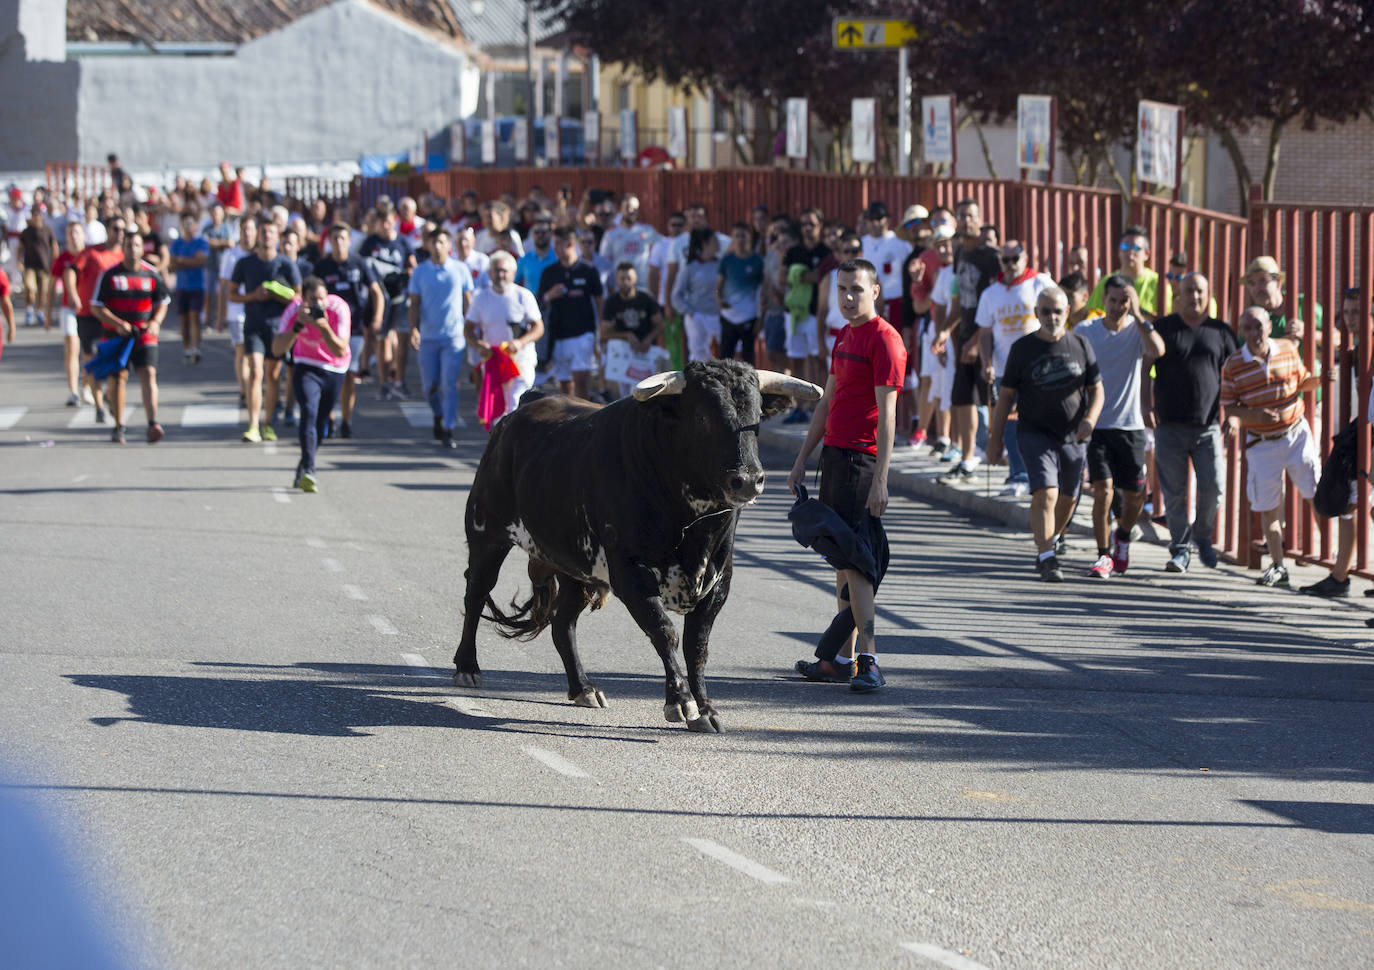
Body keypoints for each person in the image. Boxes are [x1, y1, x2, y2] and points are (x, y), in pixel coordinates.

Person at [786, 258, 905, 692]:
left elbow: (889, 416)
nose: (848, 297)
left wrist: (881, 479)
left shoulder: (885, 341)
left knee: (858, 562)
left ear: (875, 291)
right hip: (833, 457)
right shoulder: (844, 334)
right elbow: (825, 403)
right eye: (841, 289)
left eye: (856, 289)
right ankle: (839, 659)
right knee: (840, 558)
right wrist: (802, 459)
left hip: (862, 461)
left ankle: (869, 660)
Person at [987, 287, 1104, 582]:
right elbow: (1006, 397)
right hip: (1034, 432)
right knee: (1046, 493)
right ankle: (1046, 555)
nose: (1052, 317)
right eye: (1045, 311)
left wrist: (1090, 419)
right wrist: (995, 439)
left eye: (1058, 311)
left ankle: (1051, 541)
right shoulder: (1022, 348)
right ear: (1036, 313)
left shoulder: (1080, 344)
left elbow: (1097, 389)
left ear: (1067, 313)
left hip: (1073, 435)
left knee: (1068, 497)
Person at [1220, 306, 1322, 587]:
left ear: (1268, 327)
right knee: (1268, 507)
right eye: (1248, 328)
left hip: (1295, 433)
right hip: (1261, 442)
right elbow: (1230, 407)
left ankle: (1330, 556)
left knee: (1317, 492)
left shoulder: (1288, 349)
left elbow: (1303, 381)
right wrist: (1250, 418)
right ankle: (1278, 565)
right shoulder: (1232, 365)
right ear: (1241, 332)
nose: (1254, 334)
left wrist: (1324, 378)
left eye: (1259, 327)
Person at [1074, 276, 1165, 578]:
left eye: (1123, 301)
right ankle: (1103, 555)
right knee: (1103, 491)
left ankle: (1123, 535)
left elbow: (1158, 349)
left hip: (1130, 426)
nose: (1116, 307)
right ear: (1104, 300)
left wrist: (1139, 315)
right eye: (1112, 300)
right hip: (1097, 424)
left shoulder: (1137, 331)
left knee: (1136, 495)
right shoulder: (1087, 331)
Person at [1151, 273, 1240, 572]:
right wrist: (1143, 403)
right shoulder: (1162, 328)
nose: (1195, 297)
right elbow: (1144, 366)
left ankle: (1202, 535)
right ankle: (1180, 548)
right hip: (1169, 425)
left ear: (1208, 293)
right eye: (1188, 291)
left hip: (1208, 426)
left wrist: (1236, 414)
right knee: (1174, 494)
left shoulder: (1221, 331)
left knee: (1213, 486)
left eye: (1200, 291)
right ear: (1179, 294)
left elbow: (1236, 375)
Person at [966, 240, 1056, 496]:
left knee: (1040, 422)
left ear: (1025, 258)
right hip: (1006, 369)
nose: (1011, 264)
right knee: (1010, 424)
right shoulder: (991, 293)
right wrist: (987, 363)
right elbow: (985, 333)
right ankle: (1018, 475)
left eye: (1015, 258)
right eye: (1005, 260)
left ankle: (1043, 474)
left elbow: (1059, 318)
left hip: (1040, 368)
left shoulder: (1040, 283)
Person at [931, 198, 1001, 480]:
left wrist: (977, 341)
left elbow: (998, 301)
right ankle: (968, 457)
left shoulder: (991, 256)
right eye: (962, 215)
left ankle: (1002, 454)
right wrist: (945, 331)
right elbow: (959, 302)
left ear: (980, 218)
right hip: (965, 334)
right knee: (962, 398)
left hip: (990, 340)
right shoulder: (960, 253)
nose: (967, 220)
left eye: (971, 215)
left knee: (996, 400)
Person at [89, 229, 170, 445]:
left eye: (136, 245)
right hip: (117, 336)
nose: (132, 249)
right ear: (122, 248)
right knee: (118, 378)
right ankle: (119, 425)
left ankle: (152, 423)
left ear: (142, 248)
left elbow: (163, 301)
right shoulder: (110, 275)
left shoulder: (151, 273)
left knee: (149, 373)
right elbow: (96, 306)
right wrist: (118, 324)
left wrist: (155, 322)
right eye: (128, 245)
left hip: (144, 335)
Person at [272, 277, 350, 492]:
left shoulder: (339, 308)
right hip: (306, 365)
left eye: (321, 299)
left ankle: (304, 463)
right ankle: (310, 470)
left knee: (321, 423)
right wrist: (298, 326)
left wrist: (323, 326)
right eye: (312, 300)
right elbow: (277, 349)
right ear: (303, 298)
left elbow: (340, 349)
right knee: (308, 412)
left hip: (334, 367)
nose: (318, 305)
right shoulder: (294, 310)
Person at [229, 220, 302, 443]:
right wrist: (254, 296)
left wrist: (278, 295)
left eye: (271, 232)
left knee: (272, 376)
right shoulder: (245, 263)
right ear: (257, 236)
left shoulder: (286, 264)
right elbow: (232, 294)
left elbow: (298, 297)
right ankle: (252, 425)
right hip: (253, 325)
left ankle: (267, 422)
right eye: (263, 232)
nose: (267, 236)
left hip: (278, 328)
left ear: (277, 236)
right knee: (255, 372)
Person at [314, 222, 384, 438]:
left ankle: (346, 420)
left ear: (349, 241)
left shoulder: (359, 263)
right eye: (334, 238)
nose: (339, 242)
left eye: (343, 238)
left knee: (348, 375)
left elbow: (376, 292)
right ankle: (329, 417)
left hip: (353, 329)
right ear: (329, 242)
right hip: (327, 329)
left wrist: (377, 318)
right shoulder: (322, 266)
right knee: (328, 375)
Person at [407, 227, 474, 447]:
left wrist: (471, 329)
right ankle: (437, 414)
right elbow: (414, 303)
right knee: (429, 387)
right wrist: (414, 329)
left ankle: (448, 428)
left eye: (442, 242)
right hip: (428, 336)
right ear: (428, 245)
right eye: (433, 242)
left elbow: (467, 300)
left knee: (449, 384)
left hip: (453, 337)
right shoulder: (420, 272)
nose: (437, 246)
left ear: (449, 245)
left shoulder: (460, 269)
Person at [466, 250, 544, 415]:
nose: (500, 275)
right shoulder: (481, 298)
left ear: (513, 273)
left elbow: (538, 327)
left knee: (514, 405)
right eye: (496, 270)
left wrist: (520, 342)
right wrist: (478, 345)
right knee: (496, 411)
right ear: (489, 273)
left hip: (520, 362)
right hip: (494, 361)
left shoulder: (523, 296)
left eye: (504, 271)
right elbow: (468, 328)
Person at [538, 226, 603, 399]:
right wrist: (549, 295)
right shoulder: (549, 272)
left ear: (571, 244)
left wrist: (601, 331)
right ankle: (571, 421)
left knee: (581, 382)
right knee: (565, 386)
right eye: (555, 244)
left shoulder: (588, 271)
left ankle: (586, 420)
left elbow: (599, 301)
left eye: (560, 244)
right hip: (558, 334)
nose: (556, 249)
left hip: (583, 333)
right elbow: (539, 302)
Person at [359, 204, 416, 399]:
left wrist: (407, 273)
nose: (385, 226)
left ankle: (399, 381)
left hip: (400, 296)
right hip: (379, 297)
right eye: (381, 222)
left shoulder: (403, 242)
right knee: (381, 340)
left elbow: (412, 265)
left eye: (389, 222)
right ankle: (384, 383)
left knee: (402, 340)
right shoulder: (370, 243)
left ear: (395, 222)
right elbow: (364, 267)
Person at [600, 261, 663, 397]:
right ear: (616, 280)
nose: (625, 282)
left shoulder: (645, 298)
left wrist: (648, 339)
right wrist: (626, 335)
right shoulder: (612, 302)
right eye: (622, 278)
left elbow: (660, 325)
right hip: (623, 354)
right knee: (625, 398)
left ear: (635, 279)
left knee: (645, 395)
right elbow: (604, 333)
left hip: (645, 352)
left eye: (629, 278)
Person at [218, 217, 257, 410]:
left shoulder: (260, 255)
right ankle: (244, 391)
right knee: (242, 352)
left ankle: (254, 387)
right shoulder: (231, 255)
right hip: (236, 312)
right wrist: (220, 316)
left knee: (255, 356)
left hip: (257, 311)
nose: (247, 233)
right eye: (244, 230)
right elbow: (224, 286)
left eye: (250, 229)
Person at [714, 222, 765, 364]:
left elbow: (764, 291)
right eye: (737, 236)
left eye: (743, 236)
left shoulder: (758, 261)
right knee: (725, 358)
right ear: (732, 238)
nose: (740, 239)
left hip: (749, 316)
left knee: (748, 359)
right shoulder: (727, 260)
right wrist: (719, 299)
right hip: (729, 316)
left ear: (749, 238)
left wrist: (761, 318)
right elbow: (718, 286)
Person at [1085, 225, 1161, 319]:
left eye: (1136, 248)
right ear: (1119, 251)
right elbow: (1092, 317)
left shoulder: (1158, 283)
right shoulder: (1106, 282)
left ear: (1147, 254)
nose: (1130, 252)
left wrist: (1138, 312)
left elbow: (1164, 320)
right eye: (1125, 247)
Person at [859, 201, 913, 329]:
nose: (875, 223)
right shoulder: (861, 243)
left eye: (879, 218)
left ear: (888, 219)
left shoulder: (901, 244)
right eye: (871, 219)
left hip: (895, 303)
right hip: (869, 304)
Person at [671, 227, 722, 364]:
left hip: (719, 317)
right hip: (697, 318)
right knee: (699, 358)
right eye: (715, 240)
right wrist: (692, 314)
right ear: (705, 244)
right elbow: (676, 296)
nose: (719, 243)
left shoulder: (721, 265)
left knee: (721, 357)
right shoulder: (690, 268)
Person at [50, 221, 86, 404]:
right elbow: (51, 285)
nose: (74, 236)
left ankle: (88, 386)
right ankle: (73, 391)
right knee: (72, 346)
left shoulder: (90, 256)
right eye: (70, 233)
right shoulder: (62, 258)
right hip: (67, 307)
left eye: (77, 232)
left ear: (83, 236)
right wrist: (47, 312)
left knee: (89, 350)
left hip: (88, 310)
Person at [1244, 255, 1317, 344]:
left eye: (1263, 281)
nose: (1256, 288)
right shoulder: (1252, 317)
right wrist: (1283, 346)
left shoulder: (1303, 304)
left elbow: (1336, 339)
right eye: (1251, 283)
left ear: (1278, 283)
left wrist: (1309, 333)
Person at [168, 211, 208, 364]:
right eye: (185, 224)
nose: (188, 227)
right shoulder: (177, 243)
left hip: (197, 286)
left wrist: (182, 261)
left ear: (196, 225)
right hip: (182, 286)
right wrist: (189, 260)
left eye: (190, 223)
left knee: (194, 316)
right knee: (184, 320)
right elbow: (172, 264)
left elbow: (201, 261)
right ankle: (187, 348)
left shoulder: (201, 242)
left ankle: (196, 347)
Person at [599, 193, 658, 283]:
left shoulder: (648, 231)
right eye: (627, 207)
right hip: (619, 287)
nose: (631, 211)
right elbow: (604, 262)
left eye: (635, 209)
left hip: (642, 286)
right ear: (621, 210)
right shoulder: (611, 234)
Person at [17, 207, 56, 329]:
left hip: (44, 266)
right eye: (35, 215)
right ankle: (29, 309)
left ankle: (39, 311)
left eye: (39, 215)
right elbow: (20, 247)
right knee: (29, 287)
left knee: (43, 291)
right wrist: (19, 261)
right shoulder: (26, 231)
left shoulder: (47, 230)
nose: (37, 217)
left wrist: (55, 262)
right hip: (29, 265)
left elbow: (54, 246)